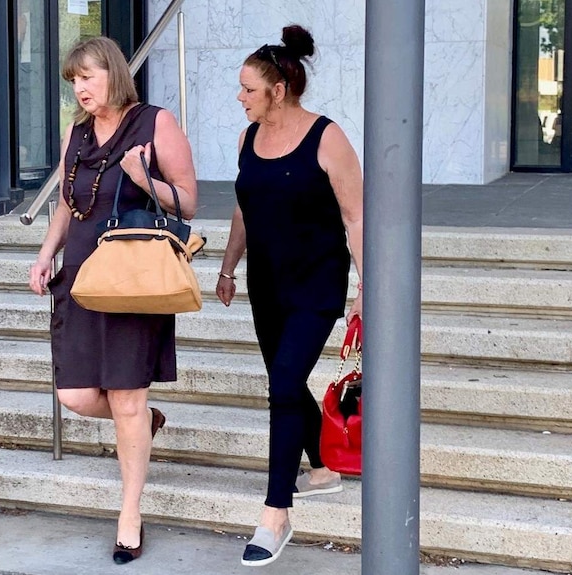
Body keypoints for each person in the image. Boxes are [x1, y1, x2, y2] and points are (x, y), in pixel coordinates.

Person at [28, 36, 197, 564]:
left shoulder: (155, 123)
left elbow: (189, 200)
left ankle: (129, 513)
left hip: (133, 279)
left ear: (113, 74)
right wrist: (44, 255)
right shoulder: (75, 132)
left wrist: (140, 175)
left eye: (88, 75)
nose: (79, 87)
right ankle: (143, 424)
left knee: (126, 398)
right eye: (73, 79)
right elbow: (66, 202)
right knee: (75, 395)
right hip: (80, 276)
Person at [216, 25, 364, 567]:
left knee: (282, 381)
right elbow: (243, 207)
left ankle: (275, 512)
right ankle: (322, 470)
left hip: (318, 283)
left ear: (278, 90)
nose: (239, 97)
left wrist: (365, 289)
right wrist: (229, 267)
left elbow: (355, 215)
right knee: (288, 379)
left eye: (248, 88)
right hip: (266, 283)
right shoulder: (246, 139)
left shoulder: (327, 138)